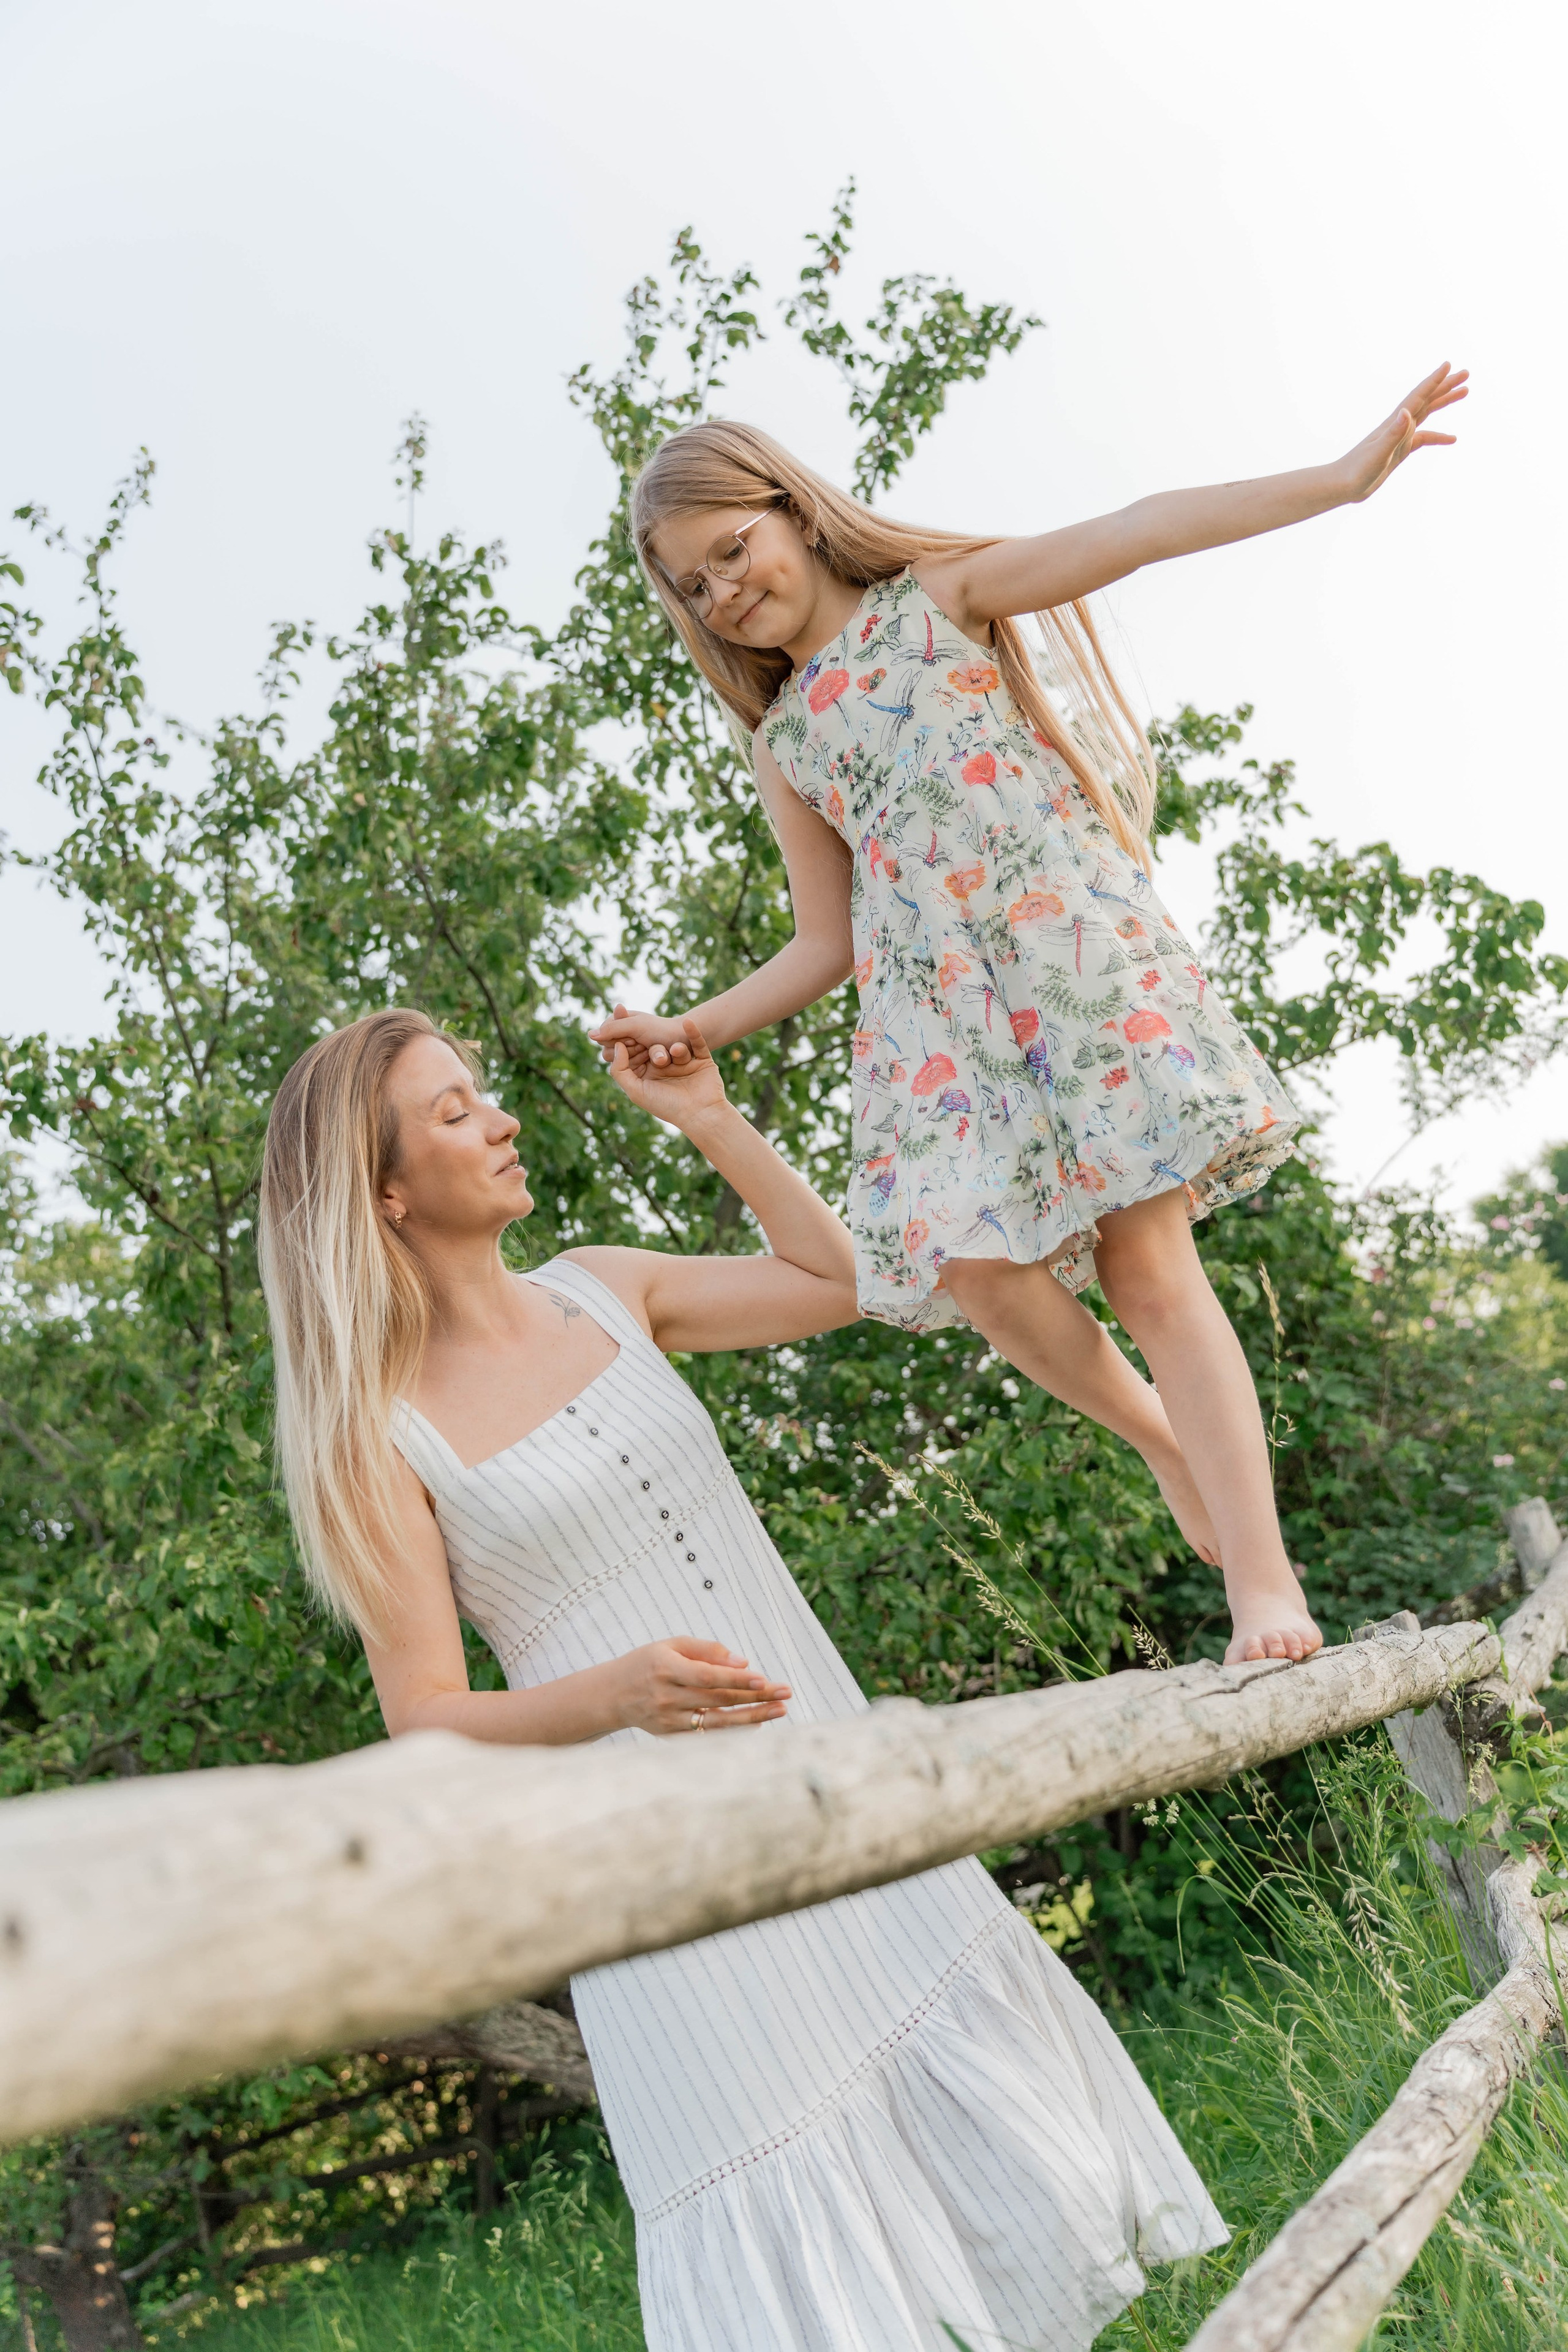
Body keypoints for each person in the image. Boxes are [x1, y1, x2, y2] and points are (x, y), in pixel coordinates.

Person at [257, 1006, 1226, 2352]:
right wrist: (613, 1696)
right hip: (666, 1890)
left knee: (998, 2202)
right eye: (454, 1113)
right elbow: (421, 1720)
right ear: (385, 1193)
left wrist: (709, 1113)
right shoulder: (379, 1436)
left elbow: (839, 1285)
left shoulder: (605, 1286)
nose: (502, 1120)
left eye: (484, 1095)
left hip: (835, 1786)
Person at [592, 369, 1469, 1665]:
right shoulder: (783, 741)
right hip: (938, 1028)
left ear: (790, 510)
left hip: (1071, 968)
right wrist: (700, 1026)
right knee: (976, 1276)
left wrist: (1336, 480)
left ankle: (1262, 1588)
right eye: (693, 585)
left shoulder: (938, 602)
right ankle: (1165, 1443)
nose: (724, 591)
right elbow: (823, 940)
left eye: (732, 550)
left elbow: (1137, 527)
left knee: (1146, 1269)